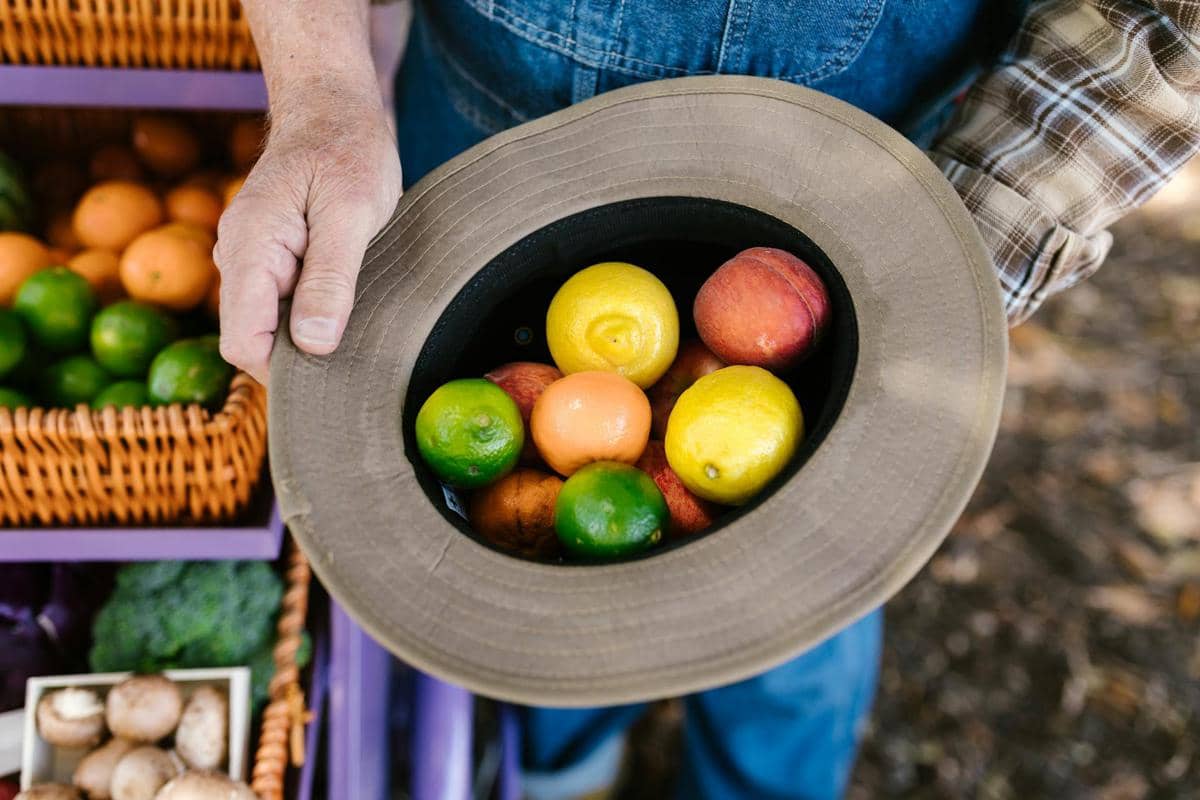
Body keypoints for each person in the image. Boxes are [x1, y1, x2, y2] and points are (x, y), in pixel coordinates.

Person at [216, 2, 1200, 797]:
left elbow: (1163, 26)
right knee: (546, 599)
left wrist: (937, 261)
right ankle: (564, 756)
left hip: (852, 210)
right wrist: (325, 95)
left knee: (800, 613)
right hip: (474, 180)